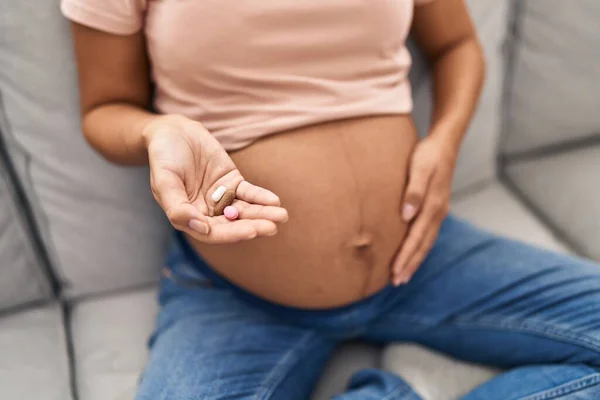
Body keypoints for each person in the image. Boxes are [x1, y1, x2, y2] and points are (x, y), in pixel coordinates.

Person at [62, 0, 600, 398]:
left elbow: (456, 44)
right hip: (238, 293)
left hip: (420, 253)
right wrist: (158, 133)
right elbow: (106, 106)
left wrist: (445, 141)